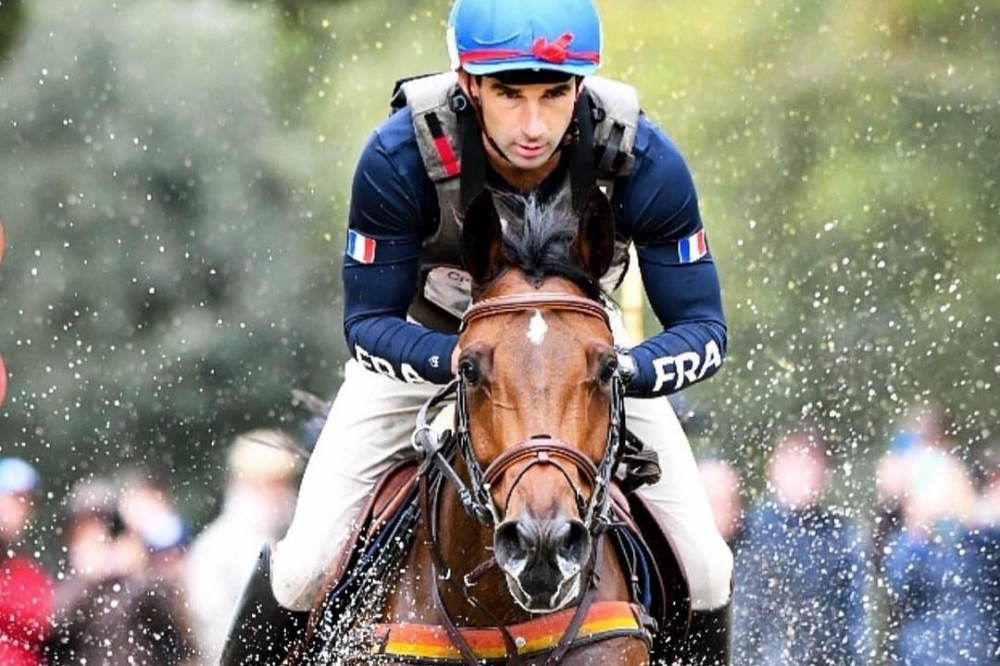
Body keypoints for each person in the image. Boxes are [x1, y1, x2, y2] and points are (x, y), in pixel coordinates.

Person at [221, 1, 733, 664]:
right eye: (509, 95)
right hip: (427, 349)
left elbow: (703, 328)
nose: (532, 125)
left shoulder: (643, 159)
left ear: (580, 88)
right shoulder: (399, 156)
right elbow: (366, 324)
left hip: (581, 365)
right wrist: (464, 361)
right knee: (301, 566)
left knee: (708, 567)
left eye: (554, 95)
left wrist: (622, 373)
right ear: (468, 85)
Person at [733, 428, 871, 665]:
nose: (803, 476)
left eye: (810, 466)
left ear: (823, 474)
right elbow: (743, 616)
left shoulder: (840, 535)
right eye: (794, 465)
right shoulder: (751, 529)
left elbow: (856, 617)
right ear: (773, 469)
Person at [184, 429, 303, 665]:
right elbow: (216, 632)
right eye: (274, 483)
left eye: (284, 483)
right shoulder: (219, 545)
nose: (283, 493)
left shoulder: (278, 537)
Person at [0, 457, 54, 666]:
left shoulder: (27, 570)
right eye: (12, 499)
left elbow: (43, 617)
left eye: (25, 503)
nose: (19, 510)